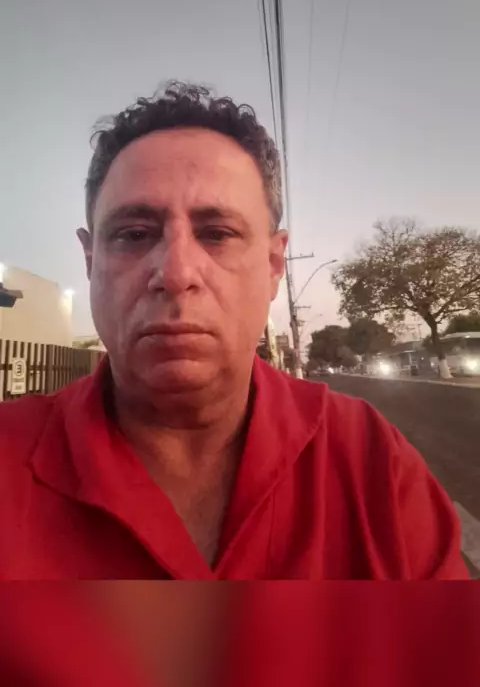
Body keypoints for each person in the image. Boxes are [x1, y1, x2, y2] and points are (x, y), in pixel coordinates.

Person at [0, 82, 469, 580]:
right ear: (90, 259)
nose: (176, 273)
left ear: (273, 264)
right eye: (134, 234)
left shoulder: (373, 464)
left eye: (217, 234)